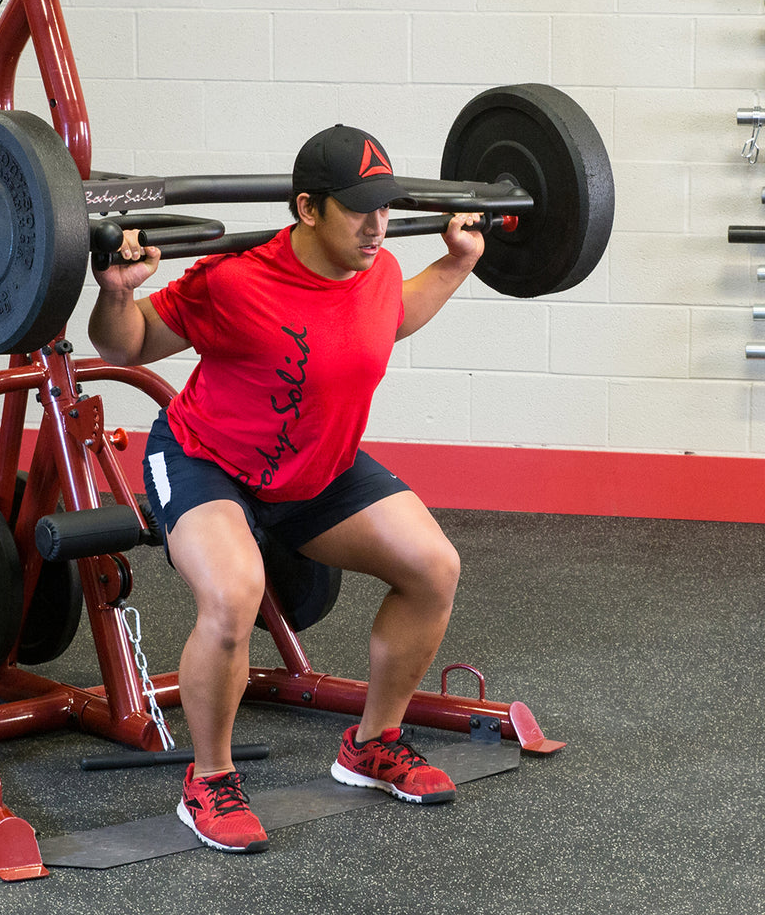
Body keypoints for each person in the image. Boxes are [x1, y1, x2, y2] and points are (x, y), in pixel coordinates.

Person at [88, 124, 486, 855]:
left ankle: (372, 744)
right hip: (206, 460)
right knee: (234, 596)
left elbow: (395, 315)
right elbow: (128, 344)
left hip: (315, 470)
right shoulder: (234, 279)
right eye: (358, 209)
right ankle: (210, 780)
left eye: (385, 207)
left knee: (435, 568)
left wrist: (457, 262)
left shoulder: (379, 272)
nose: (377, 226)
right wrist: (115, 292)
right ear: (307, 208)